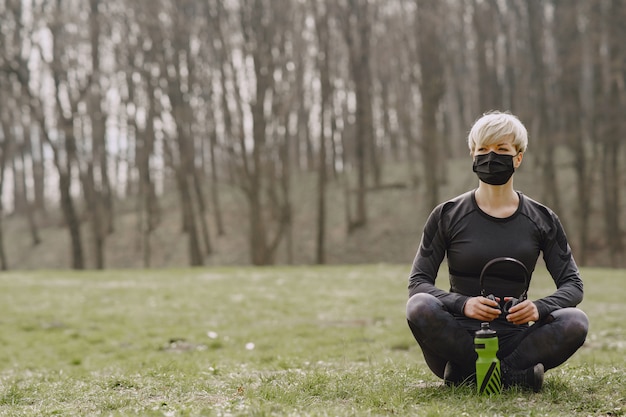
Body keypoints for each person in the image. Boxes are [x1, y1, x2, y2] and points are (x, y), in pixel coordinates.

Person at [405, 111, 589, 392]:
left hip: (519, 339)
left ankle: (470, 376)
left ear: (518, 157)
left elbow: (573, 285)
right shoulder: (446, 215)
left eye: (501, 149)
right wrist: (463, 304)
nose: (491, 157)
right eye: (483, 150)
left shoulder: (542, 218)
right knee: (419, 306)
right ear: (472, 155)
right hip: (458, 338)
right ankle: (513, 378)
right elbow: (418, 283)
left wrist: (538, 308)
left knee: (576, 321)